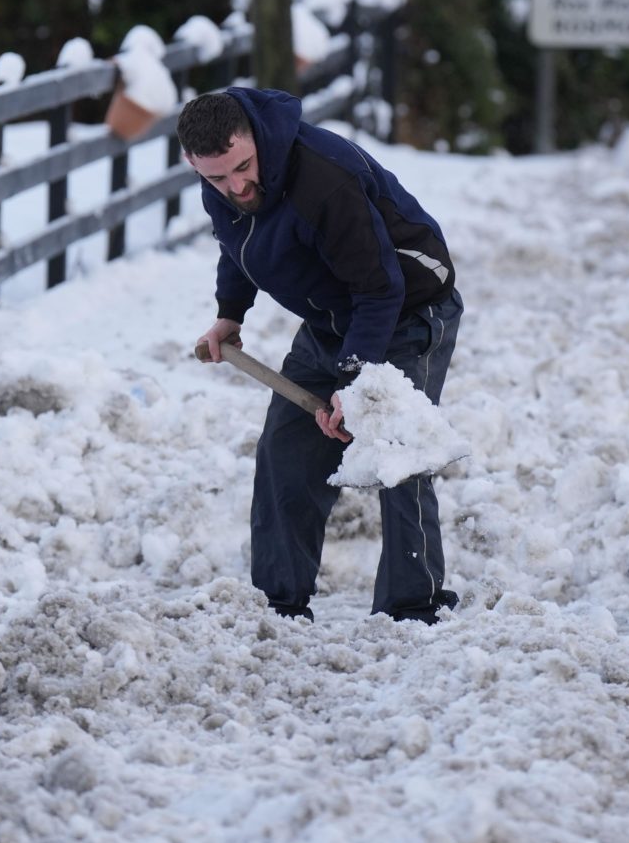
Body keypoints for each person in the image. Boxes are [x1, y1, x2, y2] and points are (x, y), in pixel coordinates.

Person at [181, 87, 463, 624]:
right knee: (286, 448)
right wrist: (230, 314)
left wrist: (356, 385)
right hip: (330, 317)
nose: (236, 187)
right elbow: (236, 246)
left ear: (256, 139)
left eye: (243, 167)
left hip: (406, 310)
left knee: (395, 449)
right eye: (217, 178)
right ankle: (278, 602)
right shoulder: (221, 182)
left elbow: (380, 290)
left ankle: (414, 605)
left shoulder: (323, 179)